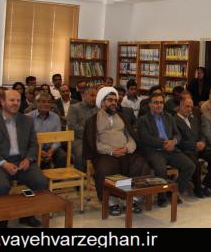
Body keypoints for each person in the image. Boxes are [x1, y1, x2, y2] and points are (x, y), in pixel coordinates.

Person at [0, 90, 48, 228]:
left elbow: (33, 144)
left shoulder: (27, 120)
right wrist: (4, 163)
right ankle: (1, 220)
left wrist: (28, 159)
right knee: (1, 187)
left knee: (41, 182)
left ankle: (27, 215)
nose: (16, 103)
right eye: (12, 100)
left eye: (18, 100)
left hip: (22, 161)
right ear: (3, 102)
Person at [82, 87, 148, 216]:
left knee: (141, 164)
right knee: (105, 168)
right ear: (102, 102)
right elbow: (94, 143)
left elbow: (131, 137)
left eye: (115, 100)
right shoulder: (93, 120)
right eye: (110, 100)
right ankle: (111, 202)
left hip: (125, 152)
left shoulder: (122, 117)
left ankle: (133, 199)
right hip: (105, 154)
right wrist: (111, 151)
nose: (113, 103)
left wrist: (127, 148)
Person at [138, 93, 195, 206]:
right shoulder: (143, 119)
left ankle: (174, 192)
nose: (159, 105)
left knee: (190, 166)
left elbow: (177, 134)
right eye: (156, 102)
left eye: (161, 102)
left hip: (171, 149)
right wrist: (163, 143)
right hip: (155, 151)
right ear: (150, 104)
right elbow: (145, 137)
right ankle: (162, 197)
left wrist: (174, 142)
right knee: (161, 169)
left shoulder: (169, 117)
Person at [175, 94, 211, 198]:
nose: (189, 109)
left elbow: (202, 134)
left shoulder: (193, 119)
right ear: (181, 105)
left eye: (191, 107)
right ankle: (197, 188)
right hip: (186, 150)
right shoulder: (174, 120)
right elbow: (179, 141)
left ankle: (206, 185)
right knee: (195, 163)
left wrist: (202, 142)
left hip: (199, 147)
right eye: (187, 106)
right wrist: (194, 145)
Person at [27, 92, 66, 169]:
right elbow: (27, 139)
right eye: (43, 102)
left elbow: (58, 138)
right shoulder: (28, 117)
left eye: (49, 102)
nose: (46, 104)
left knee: (62, 156)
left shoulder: (55, 117)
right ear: (37, 103)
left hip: (51, 148)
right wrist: (39, 151)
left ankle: (56, 176)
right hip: (34, 148)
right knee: (34, 159)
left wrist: (52, 150)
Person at [66, 86, 98, 171]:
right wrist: (89, 133)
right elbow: (72, 126)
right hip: (79, 139)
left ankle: (99, 174)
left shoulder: (98, 109)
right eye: (92, 95)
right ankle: (79, 175)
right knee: (81, 152)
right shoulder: (74, 108)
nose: (94, 98)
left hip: (96, 138)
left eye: (96, 96)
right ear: (83, 95)